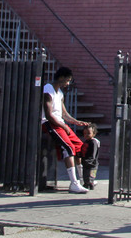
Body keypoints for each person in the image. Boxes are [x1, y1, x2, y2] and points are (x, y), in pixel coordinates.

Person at [42, 66, 89, 194]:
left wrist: (75, 121)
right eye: (67, 80)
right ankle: (74, 183)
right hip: (49, 123)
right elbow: (48, 114)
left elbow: (64, 114)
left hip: (60, 123)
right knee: (68, 148)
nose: (68, 83)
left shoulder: (60, 93)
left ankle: (82, 179)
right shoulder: (48, 90)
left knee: (79, 146)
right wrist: (63, 126)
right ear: (61, 78)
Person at [80, 123, 100, 190]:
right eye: (85, 133)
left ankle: (90, 184)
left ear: (94, 134)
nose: (86, 135)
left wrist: (89, 160)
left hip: (92, 164)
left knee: (91, 175)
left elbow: (93, 154)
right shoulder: (86, 142)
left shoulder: (93, 142)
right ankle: (87, 184)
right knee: (85, 175)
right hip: (86, 163)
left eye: (88, 133)